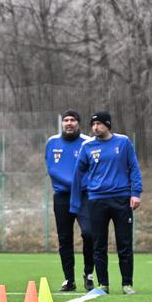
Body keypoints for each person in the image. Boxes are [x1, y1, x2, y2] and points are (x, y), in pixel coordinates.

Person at [71, 111, 142, 295]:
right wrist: (76, 201)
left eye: (99, 124)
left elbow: (133, 167)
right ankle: (103, 284)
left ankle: (127, 284)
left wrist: (136, 193)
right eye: (93, 125)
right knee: (99, 244)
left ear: (108, 125)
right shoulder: (87, 147)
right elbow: (78, 174)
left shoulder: (123, 142)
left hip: (121, 199)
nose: (95, 128)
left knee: (124, 243)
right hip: (96, 201)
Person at [45, 110, 94, 292]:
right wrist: (73, 183)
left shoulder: (88, 143)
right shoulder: (52, 142)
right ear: (62, 123)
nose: (69, 123)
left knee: (89, 234)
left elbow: (93, 170)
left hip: (84, 196)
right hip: (62, 196)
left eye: (73, 120)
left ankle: (88, 273)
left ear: (79, 123)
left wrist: (81, 185)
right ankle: (69, 279)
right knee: (65, 239)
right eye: (66, 120)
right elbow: (53, 169)